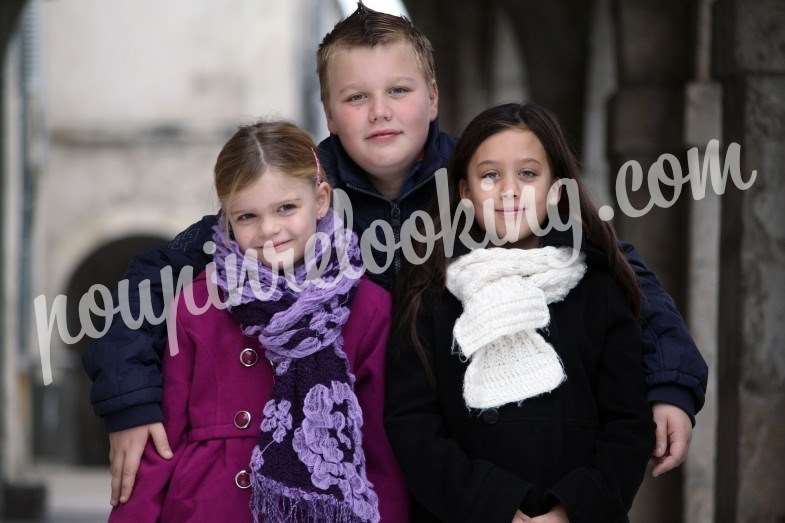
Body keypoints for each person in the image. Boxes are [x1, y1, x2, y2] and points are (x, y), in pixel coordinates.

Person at [84, 3, 707, 509]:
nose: (380, 111)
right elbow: (150, 286)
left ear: (433, 97)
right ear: (328, 110)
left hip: (463, 468)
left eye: (399, 90)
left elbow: (616, 271)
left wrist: (671, 382)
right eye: (355, 97)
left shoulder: (486, 183)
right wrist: (132, 403)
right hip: (336, 467)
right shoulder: (294, 194)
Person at [108, 121, 407, 522]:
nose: (269, 229)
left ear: (320, 200)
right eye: (247, 216)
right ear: (227, 219)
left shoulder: (368, 307)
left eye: (286, 208)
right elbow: (165, 436)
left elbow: (379, 449)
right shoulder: (198, 301)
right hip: (206, 505)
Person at [385, 102, 655, 522]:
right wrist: (498, 508)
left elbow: (628, 422)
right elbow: (413, 424)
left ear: (556, 188)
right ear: (464, 192)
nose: (509, 190)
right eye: (490, 175)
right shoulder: (429, 292)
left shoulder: (599, 287)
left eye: (528, 174)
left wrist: (569, 510)